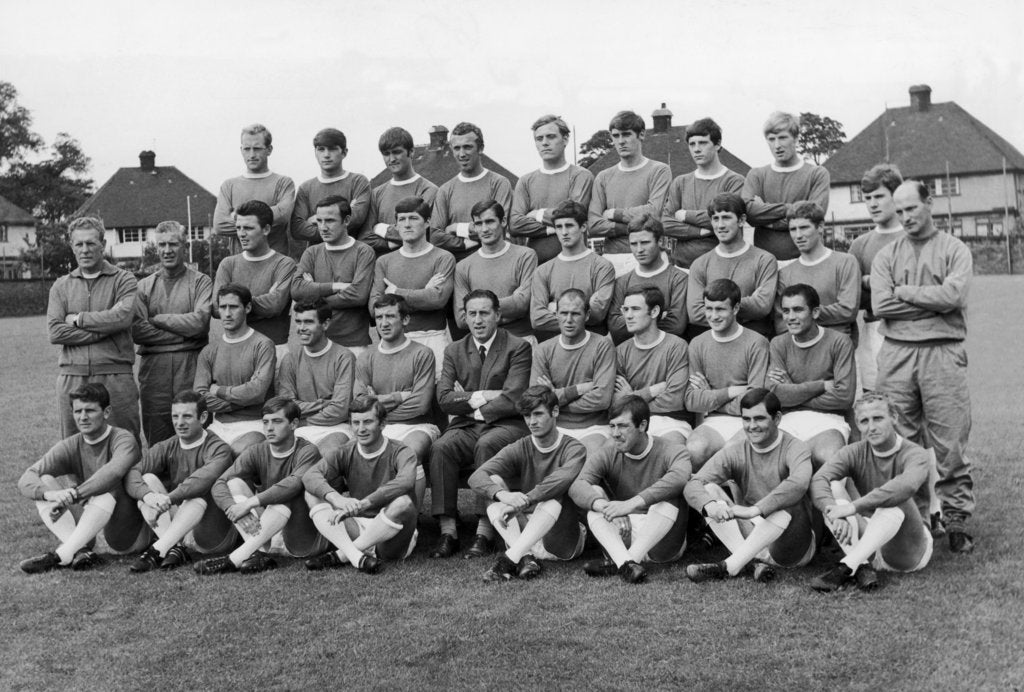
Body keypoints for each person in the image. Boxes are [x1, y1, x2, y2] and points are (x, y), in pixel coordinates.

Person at [871, 180, 975, 553]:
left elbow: (954, 295)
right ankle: (914, 517)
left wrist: (907, 292)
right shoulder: (887, 255)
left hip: (943, 353)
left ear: (929, 203)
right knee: (901, 438)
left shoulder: (954, 249)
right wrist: (934, 301)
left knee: (950, 440)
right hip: (897, 353)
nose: (905, 217)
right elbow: (881, 305)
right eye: (899, 211)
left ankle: (957, 517)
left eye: (911, 208)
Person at [429, 290, 532, 559]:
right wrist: (484, 395)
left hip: (508, 425)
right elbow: (444, 399)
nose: (478, 320)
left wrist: (467, 401)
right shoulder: (454, 349)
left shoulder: (518, 347)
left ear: (498, 315)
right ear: (464, 317)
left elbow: (514, 398)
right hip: (465, 426)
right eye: (472, 314)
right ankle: (447, 530)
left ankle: (484, 530)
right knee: (441, 447)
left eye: (484, 313)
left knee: (487, 445)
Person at [683, 389, 815, 583]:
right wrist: (709, 505)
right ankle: (750, 563)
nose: (752, 426)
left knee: (790, 498)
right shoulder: (736, 451)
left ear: (777, 418)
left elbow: (799, 484)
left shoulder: (795, 447)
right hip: (753, 534)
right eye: (746, 419)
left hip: (790, 547)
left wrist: (755, 510)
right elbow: (693, 484)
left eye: (759, 419)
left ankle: (728, 567)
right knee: (710, 491)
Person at [809, 393, 933, 592]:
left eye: (878, 418)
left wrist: (852, 507)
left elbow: (905, 487)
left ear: (894, 418)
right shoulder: (854, 451)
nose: (871, 427)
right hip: (873, 539)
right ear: (857, 424)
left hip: (907, 550)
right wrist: (832, 512)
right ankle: (863, 566)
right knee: (832, 494)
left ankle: (846, 566)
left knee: (895, 498)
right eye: (864, 421)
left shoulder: (914, 453)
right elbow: (819, 479)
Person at [18, 383, 146, 573]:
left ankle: (62, 555)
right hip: (89, 527)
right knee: (44, 482)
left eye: (90, 411)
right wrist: (52, 496)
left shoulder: (123, 438)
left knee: (105, 490)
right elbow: (26, 479)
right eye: (78, 411)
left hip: (125, 537)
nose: (83, 417)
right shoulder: (71, 444)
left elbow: (113, 473)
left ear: (106, 412)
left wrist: (74, 495)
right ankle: (82, 551)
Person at [468, 385, 588, 581]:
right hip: (525, 532)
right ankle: (525, 558)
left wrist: (525, 501)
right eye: (527, 415)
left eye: (538, 414)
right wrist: (502, 495)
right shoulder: (521, 445)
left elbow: (560, 481)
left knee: (554, 496)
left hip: (562, 539)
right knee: (494, 483)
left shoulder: (574, 448)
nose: (532, 421)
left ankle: (509, 560)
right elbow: (476, 477)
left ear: (555, 411)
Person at [569, 396, 691, 584]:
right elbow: (578, 485)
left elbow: (680, 477)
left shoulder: (671, 449)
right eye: (612, 426)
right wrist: (605, 506)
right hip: (623, 532)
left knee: (670, 495)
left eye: (623, 426)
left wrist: (630, 504)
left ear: (642, 425)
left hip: (661, 536)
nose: (615, 433)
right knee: (593, 495)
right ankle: (628, 565)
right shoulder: (609, 452)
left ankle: (622, 562)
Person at [194, 398, 324, 574]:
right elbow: (220, 483)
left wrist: (248, 504)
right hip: (268, 528)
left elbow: (293, 484)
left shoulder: (308, 451)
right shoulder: (257, 450)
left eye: (277, 421)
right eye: (265, 422)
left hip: (300, 539)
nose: (269, 428)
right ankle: (259, 554)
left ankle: (234, 559)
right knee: (234, 483)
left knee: (288, 493)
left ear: (294, 424)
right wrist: (233, 508)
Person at [302, 395, 419, 574]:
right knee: (311, 493)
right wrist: (337, 499)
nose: (361, 429)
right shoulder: (345, 451)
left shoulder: (401, 450)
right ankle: (355, 556)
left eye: (368, 422)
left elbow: (406, 481)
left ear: (383, 424)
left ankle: (341, 555)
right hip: (357, 526)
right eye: (356, 423)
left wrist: (365, 503)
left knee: (403, 503)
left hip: (392, 530)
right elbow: (310, 476)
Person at [48, 216, 140, 441]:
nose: (85, 250)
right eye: (79, 244)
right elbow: (56, 332)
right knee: (73, 447)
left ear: (103, 245)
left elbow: (123, 317)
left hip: (116, 376)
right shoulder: (61, 285)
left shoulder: (124, 279)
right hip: (73, 376)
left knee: (124, 443)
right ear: (72, 247)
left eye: (91, 243)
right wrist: (107, 327)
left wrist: (78, 318)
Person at [124, 390, 236, 572]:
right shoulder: (167, 445)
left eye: (187, 416)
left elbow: (201, 480)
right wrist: (148, 497)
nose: (179, 423)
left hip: (211, 535)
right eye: (175, 416)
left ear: (203, 417)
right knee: (148, 480)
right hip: (182, 526)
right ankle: (175, 547)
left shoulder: (219, 448)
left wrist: (167, 500)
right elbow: (132, 473)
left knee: (196, 495)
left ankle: (159, 548)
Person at [132, 220, 213, 445]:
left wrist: (158, 319)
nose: (167, 250)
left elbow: (199, 324)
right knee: (157, 435)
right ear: (156, 248)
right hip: (154, 371)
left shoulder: (201, 282)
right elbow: (138, 331)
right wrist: (184, 336)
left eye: (173, 244)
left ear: (185, 246)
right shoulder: (144, 286)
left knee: (195, 432)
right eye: (162, 245)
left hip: (191, 367)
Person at [685, 279, 770, 471]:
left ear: (736, 308)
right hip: (714, 421)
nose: (713, 316)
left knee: (734, 453)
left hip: (749, 420)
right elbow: (692, 401)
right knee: (693, 450)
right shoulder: (697, 344)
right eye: (709, 309)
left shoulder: (757, 343)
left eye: (720, 309)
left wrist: (712, 397)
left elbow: (755, 400)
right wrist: (731, 391)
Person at [769, 284, 856, 470]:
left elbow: (844, 397)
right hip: (787, 420)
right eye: (786, 311)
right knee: (770, 463)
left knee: (831, 461)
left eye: (798, 310)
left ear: (815, 312)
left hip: (828, 420)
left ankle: (837, 500)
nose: (790, 317)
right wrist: (821, 386)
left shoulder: (839, 342)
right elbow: (776, 396)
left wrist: (793, 391)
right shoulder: (778, 344)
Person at [355, 295, 437, 490]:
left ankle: (410, 518)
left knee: (409, 453)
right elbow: (359, 404)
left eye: (390, 316)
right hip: (377, 426)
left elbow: (420, 404)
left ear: (405, 319)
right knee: (358, 452)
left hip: (417, 426)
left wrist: (376, 402)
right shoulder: (366, 358)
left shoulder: (422, 354)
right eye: (379, 317)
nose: (383, 323)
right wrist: (399, 397)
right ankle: (369, 515)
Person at [370, 196, 456, 377]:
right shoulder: (384, 262)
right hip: (395, 340)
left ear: (427, 223)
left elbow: (437, 299)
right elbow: (374, 306)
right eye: (402, 219)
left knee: (435, 399)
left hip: (432, 338)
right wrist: (424, 293)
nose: (407, 224)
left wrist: (395, 293)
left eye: (413, 218)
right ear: (396, 225)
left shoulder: (443, 257)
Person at [193, 284, 276, 456]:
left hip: (254, 424)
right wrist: (242, 401)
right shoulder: (209, 351)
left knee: (237, 451)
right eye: (223, 307)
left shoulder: (263, 345)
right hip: (219, 425)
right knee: (198, 453)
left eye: (234, 307)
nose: (227, 313)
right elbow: (200, 398)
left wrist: (218, 391)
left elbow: (257, 392)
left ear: (247, 308)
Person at [531, 289, 616, 456]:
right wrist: (576, 390)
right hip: (554, 425)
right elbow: (536, 400)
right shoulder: (543, 350)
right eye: (563, 313)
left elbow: (602, 399)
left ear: (587, 315)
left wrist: (556, 398)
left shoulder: (602, 346)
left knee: (585, 461)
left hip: (593, 427)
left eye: (575, 314)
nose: (568, 320)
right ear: (556, 314)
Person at [587, 110, 672, 277]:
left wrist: (614, 213)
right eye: (616, 136)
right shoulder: (603, 177)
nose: (621, 141)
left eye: (626, 135)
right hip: (612, 258)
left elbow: (653, 213)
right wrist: (630, 226)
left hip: (650, 257)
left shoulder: (659, 170)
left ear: (641, 135)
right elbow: (592, 224)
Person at [290, 195, 376, 356]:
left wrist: (314, 296)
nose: (322, 227)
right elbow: (296, 290)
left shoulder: (363, 252)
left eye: (329, 221)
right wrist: (335, 287)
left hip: (353, 344)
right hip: (316, 344)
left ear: (347, 220)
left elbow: (358, 295)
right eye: (319, 221)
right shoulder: (312, 252)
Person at [686, 193, 777, 339]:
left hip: (754, 341)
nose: (720, 225)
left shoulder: (764, 260)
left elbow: (762, 306)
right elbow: (695, 313)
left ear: (741, 220)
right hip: (714, 343)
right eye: (715, 219)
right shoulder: (700, 264)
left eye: (726, 217)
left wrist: (714, 309)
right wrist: (744, 309)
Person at [742, 112, 830, 262]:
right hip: (766, 265)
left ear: (795, 138)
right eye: (771, 139)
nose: (777, 145)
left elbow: (812, 218)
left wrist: (765, 215)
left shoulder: (817, 174)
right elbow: (749, 215)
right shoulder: (757, 175)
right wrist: (790, 208)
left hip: (807, 262)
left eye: (782, 137)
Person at [660, 117, 746, 268]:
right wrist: (700, 231)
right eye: (692, 144)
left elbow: (728, 221)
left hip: (721, 266)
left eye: (703, 143)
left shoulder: (734, 181)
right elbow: (665, 223)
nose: (696, 149)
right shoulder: (681, 182)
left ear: (717, 144)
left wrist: (685, 215)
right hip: (681, 267)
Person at [213, 200, 296, 354]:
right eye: (238, 228)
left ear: (266, 229)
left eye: (249, 228)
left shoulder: (285, 264)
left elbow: (275, 305)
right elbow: (217, 308)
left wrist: (233, 304)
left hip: (274, 349)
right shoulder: (227, 264)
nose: (241, 234)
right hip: (235, 350)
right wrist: (260, 303)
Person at [510, 114, 594, 264]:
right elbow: (515, 224)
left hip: (574, 262)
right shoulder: (525, 181)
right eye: (539, 138)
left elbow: (574, 216)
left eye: (551, 137)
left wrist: (537, 214)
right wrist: (552, 229)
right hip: (536, 266)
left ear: (565, 139)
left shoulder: (581, 176)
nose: (545, 143)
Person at [848, 164, 904, 391]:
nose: (873, 203)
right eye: (867, 197)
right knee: (876, 400)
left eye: (879, 196)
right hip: (873, 329)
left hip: (911, 329)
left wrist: (873, 282)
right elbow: (853, 297)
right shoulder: (860, 244)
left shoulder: (914, 238)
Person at [277, 301, 357, 458]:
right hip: (298, 429)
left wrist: (303, 419)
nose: (301, 328)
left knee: (328, 454)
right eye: (298, 322)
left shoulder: (344, 357)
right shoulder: (290, 359)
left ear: (325, 324)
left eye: (308, 322)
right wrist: (324, 403)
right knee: (281, 456)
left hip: (335, 428)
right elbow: (287, 407)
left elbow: (339, 410)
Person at [530, 200, 616, 343]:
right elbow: (537, 319)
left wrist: (554, 308)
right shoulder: (543, 270)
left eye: (569, 226)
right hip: (556, 347)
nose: (564, 232)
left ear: (583, 227)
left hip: (593, 345)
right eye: (559, 227)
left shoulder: (602, 266)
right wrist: (582, 311)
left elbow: (598, 314)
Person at [614, 287, 691, 446]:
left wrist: (632, 396)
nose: (628, 315)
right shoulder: (621, 351)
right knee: (608, 454)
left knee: (668, 452)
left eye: (635, 309)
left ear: (654, 311)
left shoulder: (676, 346)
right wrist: (652, 391)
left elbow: (674, 400)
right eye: (625, 309)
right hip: (631, 423)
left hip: (671, 422)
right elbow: (616, 403)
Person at [454, 200, 538, 342]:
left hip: (521, 340)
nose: (485, 229)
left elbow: (523, 305)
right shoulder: (463, 266)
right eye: (479, 224)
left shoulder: (525, 256)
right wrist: (510, 306)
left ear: (503, 221)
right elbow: (462, 319)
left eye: (490, 221)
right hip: (483, 345)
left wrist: (477, 312)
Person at [430, 122, 514, 262]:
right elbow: (435, 237)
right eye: (457, 148)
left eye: (467, 147)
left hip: (494, 262)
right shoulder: (445, 190)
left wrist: (455, 228)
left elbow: (498, 229)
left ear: (480, 148)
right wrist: (464, 243)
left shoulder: (499, 183)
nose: (462, 154)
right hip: (458, 268)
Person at [774, 201, 859, 338]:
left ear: (820, 227)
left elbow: (847, 311)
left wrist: (800, 315)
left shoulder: (845, 262)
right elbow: (782, 323)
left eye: (804, 228)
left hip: (837, 348)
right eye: (793, 229)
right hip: (800, 350)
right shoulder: (785, 273)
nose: (798, 235)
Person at [212, 123, 295, 257]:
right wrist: (263, 221)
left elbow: (283, 216)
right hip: (239, 267)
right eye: (247, 149)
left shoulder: (283, 183)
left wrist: (236, 216)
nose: (252, 154)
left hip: (276, 266)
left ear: (269, 149)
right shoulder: (229, 185)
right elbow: (220, 225)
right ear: (241, 150)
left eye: (257, 148)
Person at [607, 214, 688, 344]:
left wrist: (633, 320)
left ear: (660, 241)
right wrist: (658, 317)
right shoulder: (622, 282)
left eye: (645, 243)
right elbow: (615, 326)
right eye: (633, 244)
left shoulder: (679, 279)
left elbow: (676, 325)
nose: (639, 250)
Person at [358, 126, 439, 256]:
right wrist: (388, 244)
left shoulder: (429, 190)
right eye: (386, 154)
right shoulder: (376, 193)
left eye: (396, 152)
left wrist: (380, 228)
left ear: (411, 152)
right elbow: (364, 238)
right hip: (384, 266)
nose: (391, 159)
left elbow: (421, 233)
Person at [291, 128, 371, 252]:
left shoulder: (358, 182)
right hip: (317, 258)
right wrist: (337, 222)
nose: (326, 155)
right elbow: (297, 228)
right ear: (315, 152)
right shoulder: (306, 188)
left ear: (344, 152)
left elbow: (356, 219)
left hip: (352, 255)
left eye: (332, 149)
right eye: (321, 149)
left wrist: (314, 220)